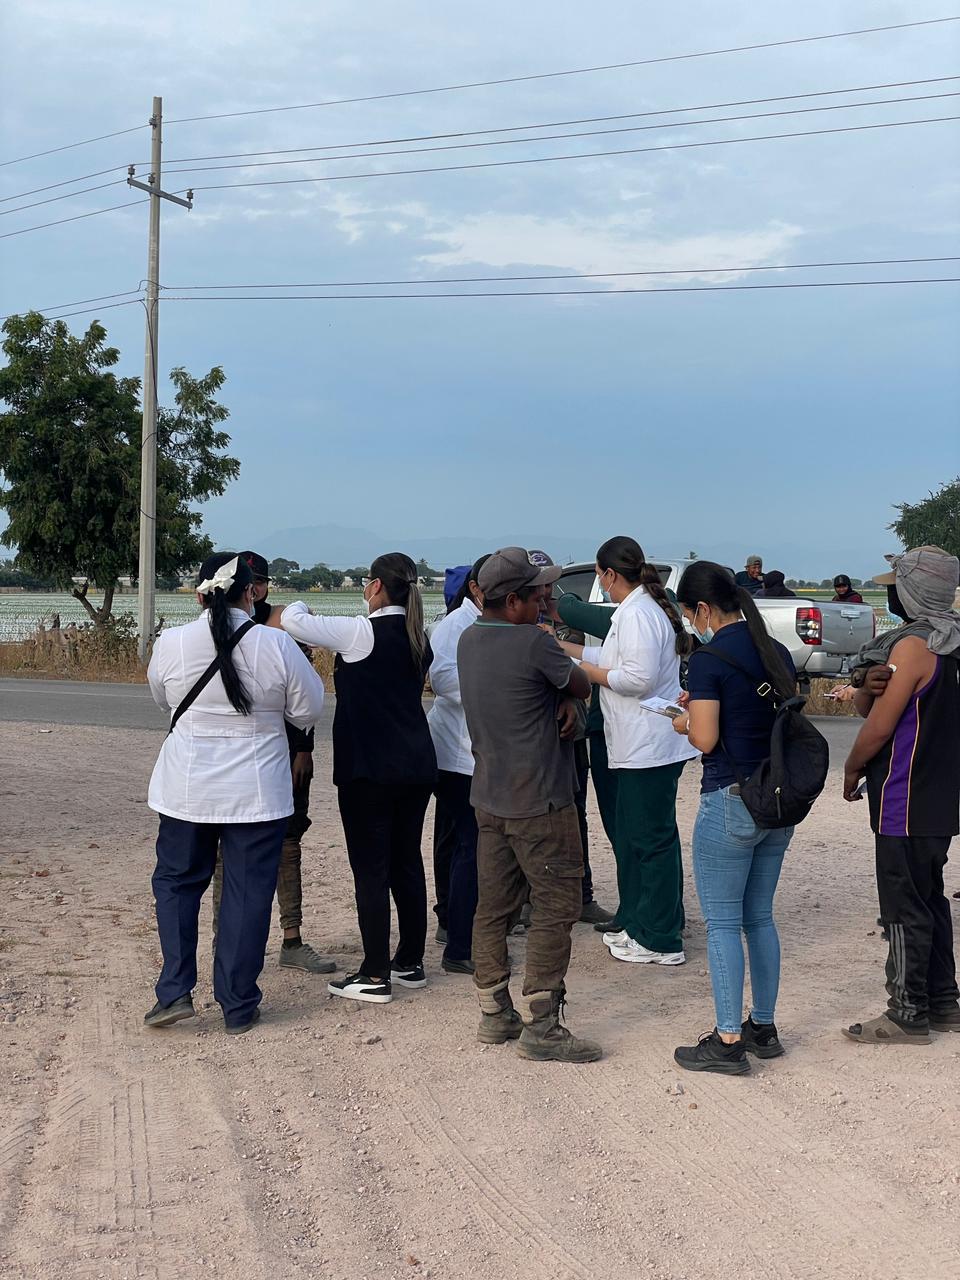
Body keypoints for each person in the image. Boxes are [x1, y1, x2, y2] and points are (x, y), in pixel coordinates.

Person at [144, 553, 326, 1034]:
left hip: (186, 787)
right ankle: (238, 1004)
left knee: (177, 885)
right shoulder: (277, 644)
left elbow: (163, 699)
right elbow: (308, 708)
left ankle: (175, 992)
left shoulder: (172, 643)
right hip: (258, 792)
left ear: (201, 595)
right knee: (247, 896)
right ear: (251, 593)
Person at [457, 547, 600, 1063]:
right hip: (542, 800)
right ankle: (543, 1023)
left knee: (492, 908)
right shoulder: (533, 644)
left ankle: (493, 1011)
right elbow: (581, 683)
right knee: (557, 905)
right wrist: (565, 694)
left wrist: (557, 698)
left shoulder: (470, 641)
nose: (546, 597)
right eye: (537, 591)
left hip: (490, 797)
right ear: (512, 599)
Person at [280, 553, 437, 1005]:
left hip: (369, 767)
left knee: (370, 868)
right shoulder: (417, 636)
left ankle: (373, 972)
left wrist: (305, 604)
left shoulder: (358, 631)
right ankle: (408, 961)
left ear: (374, 587)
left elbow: (293, 619)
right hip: (415, 762)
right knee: (406, 860)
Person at [666, 562, 798, 1074]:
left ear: (701, 609)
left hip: (728, 797)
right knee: (759, 917)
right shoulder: (776, 651)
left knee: (722, 923)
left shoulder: (709, 658)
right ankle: (762, 1026)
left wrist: (683, 719)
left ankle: (726, 1039)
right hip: (775, 799)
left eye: (688, 614)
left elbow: (704, 738)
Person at [557, 537, 697, 966]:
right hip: (641, 744)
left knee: (650, 841)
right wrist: (564, 649)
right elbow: (611, 654)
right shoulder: (638, 609)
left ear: (609, 574)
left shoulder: (637, 612)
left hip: (646, 745)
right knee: (641, 836)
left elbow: (634, 678)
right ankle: (640, 923)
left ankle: (660, 938)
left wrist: (584, 671)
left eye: (600, 576)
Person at [841, 546, 960, 1045]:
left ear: (911, 590)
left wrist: (850, 767)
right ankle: (942, 1000)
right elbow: (880, 696)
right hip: (943, 797)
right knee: (929, 896)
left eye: (896, 585)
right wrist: (867, 682)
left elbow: (879, 726)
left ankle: (907, 1012)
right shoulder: (953, 642)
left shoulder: (913, 648)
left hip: (903, 795)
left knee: (902, 903)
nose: (891, 593)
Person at [208, 551, 336, 975]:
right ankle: (222, 937)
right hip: (234, 757)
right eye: (251, 580)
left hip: (283, 752)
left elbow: (306, 698)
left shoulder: (284, 623)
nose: (256, 588)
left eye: (261, 580)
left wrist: (304, 749)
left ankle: (292, 938)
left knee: (288, 841)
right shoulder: (213, 626)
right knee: (225, 849)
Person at [530, 551, 613, 928]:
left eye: (550, 580)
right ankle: (528, 901)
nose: (548, 588)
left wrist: (567, 696)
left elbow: (574, 673)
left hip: (570, 734)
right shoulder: (516, 619)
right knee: (529, 819)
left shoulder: (565, 618)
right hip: (532, 737)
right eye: (541, 581)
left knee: (574, 815)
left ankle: (582, 895)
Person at [427, 555, 490, 974]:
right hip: (456, 755)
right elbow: (443, 683)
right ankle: (461, 946)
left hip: (468, 752)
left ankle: (453, 924)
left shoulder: (483, 624)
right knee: (471, 845)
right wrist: (501, 683)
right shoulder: (453, 628)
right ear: (474, 589)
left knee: (457, 842)